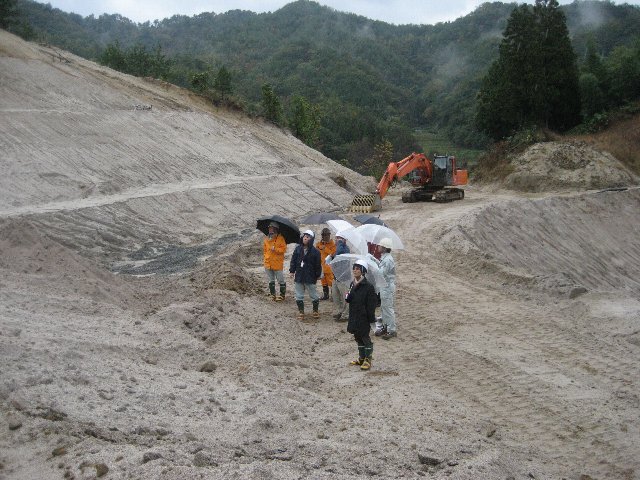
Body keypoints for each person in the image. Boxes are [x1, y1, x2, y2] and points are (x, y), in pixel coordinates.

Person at [346, 260, 378, 371]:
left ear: (363, 271)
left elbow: (371, 305)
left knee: (365, 337)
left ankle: (368, 359)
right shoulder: (352, 283)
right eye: (354, 268)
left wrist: (371, 318)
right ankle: (361, 358)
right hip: (354, 315)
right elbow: (349, 299)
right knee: (357, 336)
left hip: (363, 317)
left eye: (358, 269)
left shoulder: (369, 287)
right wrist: (347, 295)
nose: (355, 270)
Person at [289, 230, 322, 320]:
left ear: (311, 239)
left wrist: (318, 275)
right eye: (304, 236)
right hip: (299, 275)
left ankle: (315, 310)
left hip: (310, 276)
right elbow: (293, 260)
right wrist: (292, 271)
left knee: (313, 294)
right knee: (299, 295)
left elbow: (318, 265)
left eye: (308, 237)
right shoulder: (298, 249)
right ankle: (301, 312)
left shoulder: (316, 252)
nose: (305, 238)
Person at [375, 237, 397, 339]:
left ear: (384, 247)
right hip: (384, 287)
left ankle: (391, 330)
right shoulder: (385, 258)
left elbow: (382, 273)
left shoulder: (388, 260)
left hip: (387, 287)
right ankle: (385, 326)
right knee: (384, 309)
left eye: (380, 245)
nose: (378, 247)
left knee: (388, 309)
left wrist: (373, 266)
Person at [327, 232, 350, 322]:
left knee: (346, 297)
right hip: (336, 276)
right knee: (335, 296)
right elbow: (335, 256)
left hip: (344, 277)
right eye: (337, 238)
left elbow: (339, 253)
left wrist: (340, 243)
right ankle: (340, 311)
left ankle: (346, 314)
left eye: (339, 238)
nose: (337, 240)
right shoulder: (337, 248)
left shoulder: (345, 248)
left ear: (344, 240)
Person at [263, 221, 287, 301]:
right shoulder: (266, 239)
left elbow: (284, 249)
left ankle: (282, 295)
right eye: (269, 228)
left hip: (277, 263)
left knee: (280, 280)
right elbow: (265, 250)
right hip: (268, 263)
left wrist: (275, 249)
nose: (270, 229)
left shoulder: (280, 238)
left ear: (276, 229)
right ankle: (273, 295)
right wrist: (266, 258)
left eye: (271, 228)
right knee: (271, 280)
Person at [315, 227, 336, 300]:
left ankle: (334, 296)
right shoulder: (318, 244)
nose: (326, 236)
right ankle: (326, 295)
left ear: (329, 235)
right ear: (322, 236)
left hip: (329, 267)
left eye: (327, 235)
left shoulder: (332, 244)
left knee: (331, 282)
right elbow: (315, 253)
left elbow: (333, 254)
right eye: (324, 235)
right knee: (323, 282)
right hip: (321, 267)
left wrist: (325, 249)